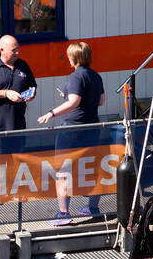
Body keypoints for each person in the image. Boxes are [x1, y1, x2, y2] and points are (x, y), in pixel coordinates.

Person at [39, 41, 105, 225]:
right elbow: (100, 101)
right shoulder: (96, 76)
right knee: (91, 168)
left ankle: (63, 214)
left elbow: (74, 102)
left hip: (72, 129)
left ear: (74, 58)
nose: (67, 58)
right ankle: (93, 208)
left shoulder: (76, 76)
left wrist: (51, 113)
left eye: (69, 56)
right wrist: (70, 98)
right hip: (92, 128)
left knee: (63, 171)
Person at [0, 35, 36, 132]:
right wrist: (6, 93)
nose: (17, 53)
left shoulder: (23, 65)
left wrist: (32, 94)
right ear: (2, 50)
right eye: (13, 50)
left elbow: (32, 86)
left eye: (18, 49)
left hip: (19, 126)